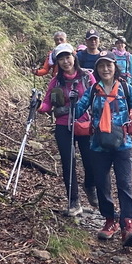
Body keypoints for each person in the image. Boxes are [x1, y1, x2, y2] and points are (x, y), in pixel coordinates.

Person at [71, 51, 132, 247]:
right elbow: (79, 110)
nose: (105, 69)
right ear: (98, 70)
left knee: (124, 184)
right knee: (102, 184)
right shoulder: (93, 90)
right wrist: (71, 103)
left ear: (114, 67)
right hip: (98, 144)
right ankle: (110, 220)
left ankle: (128, 224)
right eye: (101, 66)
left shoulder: (125, 87)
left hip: (123, 144)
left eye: (108, 65)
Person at [38, 43, 97, 216]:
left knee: (90, 161)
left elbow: (98, 97)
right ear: (57, 62)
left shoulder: (87, 77)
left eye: (67, 57)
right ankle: (73, 201)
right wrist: (39, 106)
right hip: (63, 125)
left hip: (85, 125)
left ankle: (90, 186)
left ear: (74, 57)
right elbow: (48, 103)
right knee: (68, 162)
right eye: (61, 59)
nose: (65, 62)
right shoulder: (56, 81)